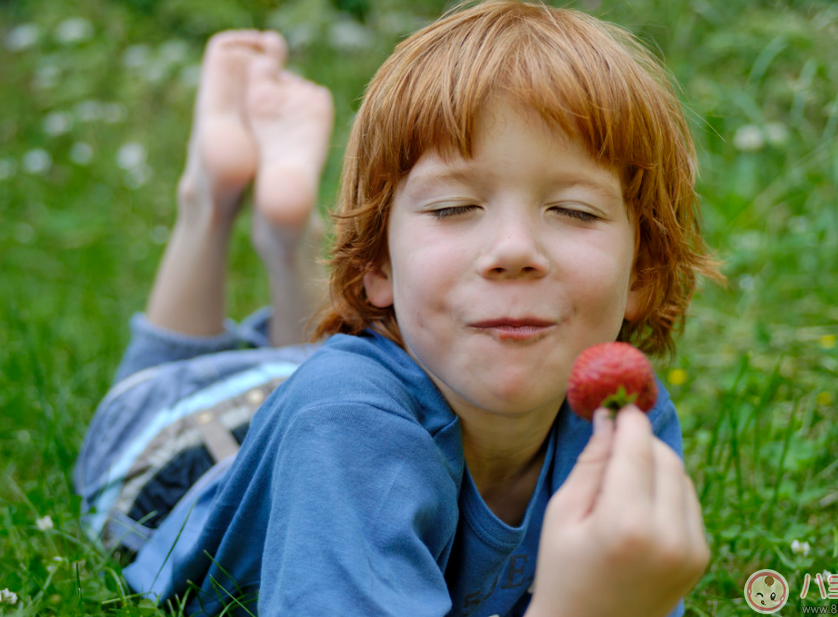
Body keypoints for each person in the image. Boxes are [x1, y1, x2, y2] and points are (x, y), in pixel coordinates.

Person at [75, 2, 720, 615]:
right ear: (375, 265)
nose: (514, 250)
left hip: (317, 395)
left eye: (574, 211)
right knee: (164, 383)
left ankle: (284, 231)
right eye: (453, 208)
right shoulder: (344, 425)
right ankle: (209, 199)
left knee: (312, 373)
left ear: (641, 272)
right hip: (180, 447)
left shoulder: (621, 417)